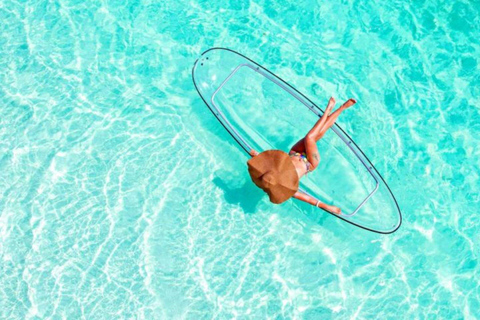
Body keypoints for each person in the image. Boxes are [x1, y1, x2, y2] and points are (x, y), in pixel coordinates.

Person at [247, 97, 356, 214]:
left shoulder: (268, 174)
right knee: (310, 137)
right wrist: (328, 207)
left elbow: (265, 163)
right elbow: (309, 199)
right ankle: (330, 111)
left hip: (294, 152)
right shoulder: (285, 189)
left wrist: (256, 155)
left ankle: (339, 109)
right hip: (309, 162)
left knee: (319, 133)